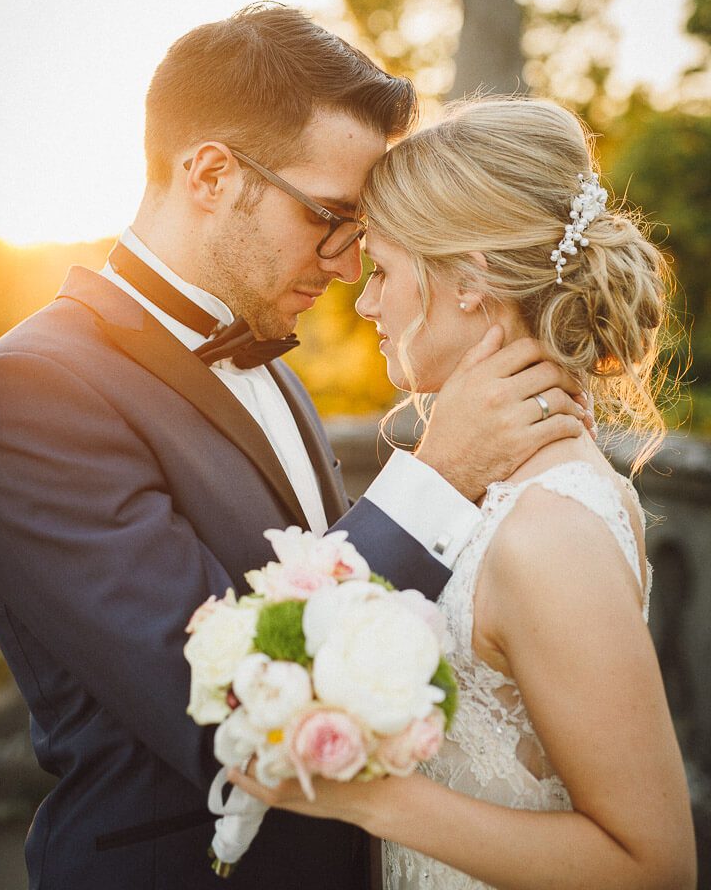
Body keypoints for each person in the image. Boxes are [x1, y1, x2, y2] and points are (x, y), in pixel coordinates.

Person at [0, 9, 585, 890]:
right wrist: (440, 477)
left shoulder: (273, 361)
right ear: (211, 173)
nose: (349, 259)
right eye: (331, 216)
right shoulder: (29, 395)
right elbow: (222, 702)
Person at [229, 97, 697, 890]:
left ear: (471, 281)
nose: (366, 301)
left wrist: (375, 802)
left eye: (382, 269)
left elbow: (654, 867)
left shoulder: (551, 528)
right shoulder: (499, 486)